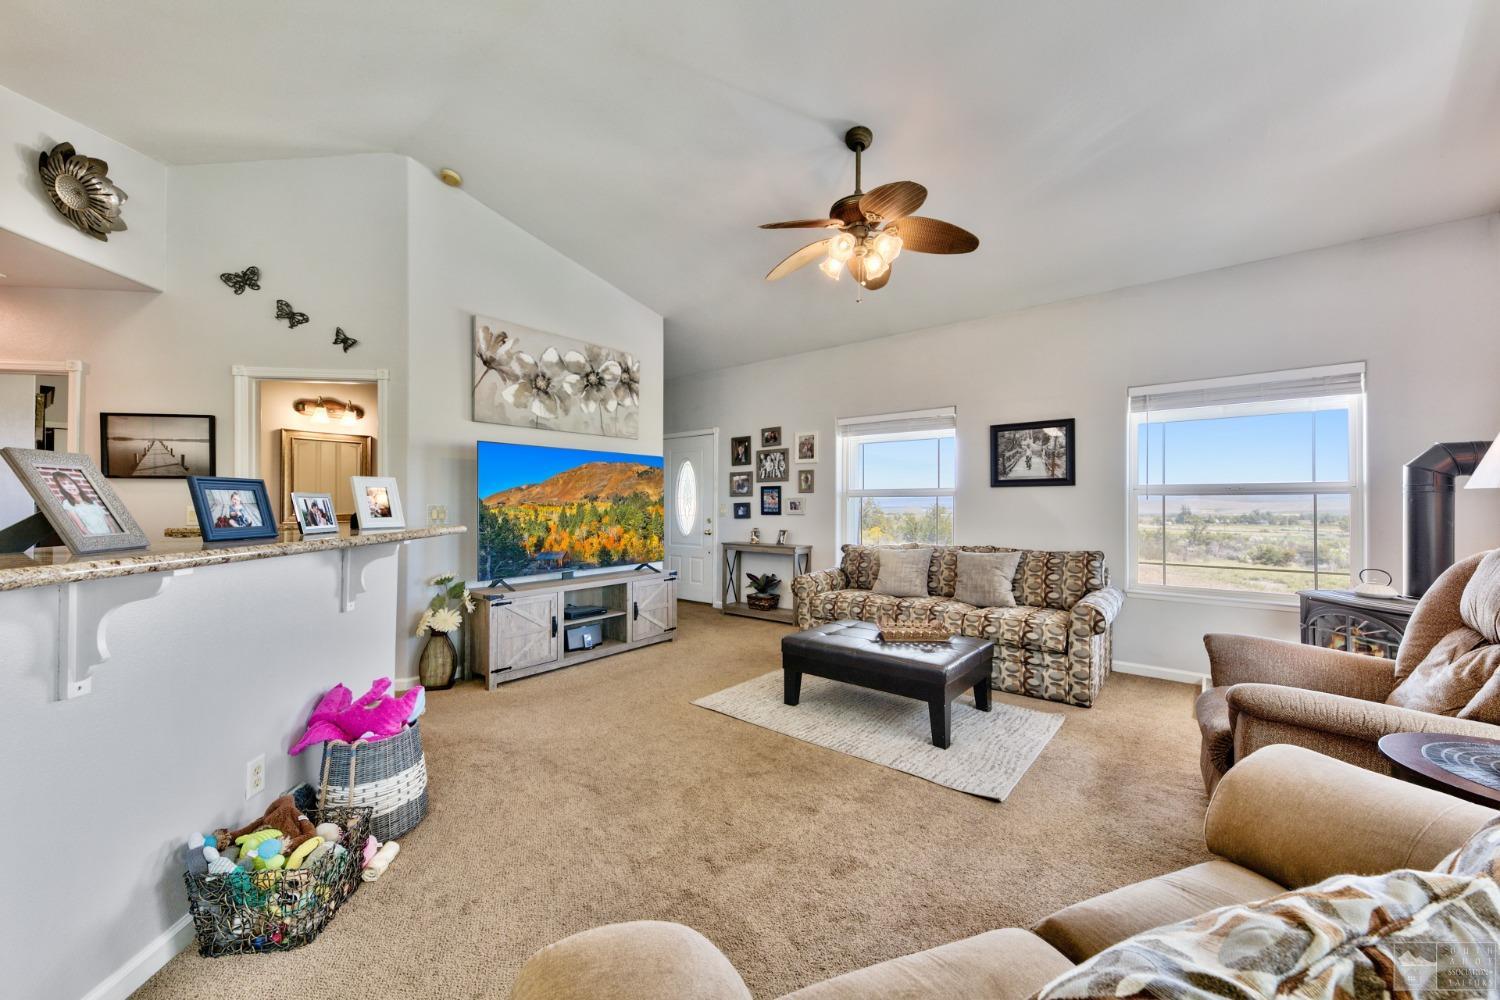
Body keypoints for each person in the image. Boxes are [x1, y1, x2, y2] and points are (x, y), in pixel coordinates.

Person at [51, 470, 120, 535]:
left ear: (75, 484)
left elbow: (110, 525)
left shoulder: (92, 502)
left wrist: (114, 536)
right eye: (64, 484)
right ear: (63, 489)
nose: (69, 486)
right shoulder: (67, 504)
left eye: (70, 483)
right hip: (95, 539)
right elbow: (82, 528)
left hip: (109, 535)